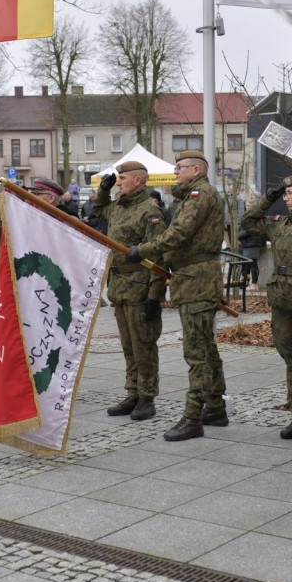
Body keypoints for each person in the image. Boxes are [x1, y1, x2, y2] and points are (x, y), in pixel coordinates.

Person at [127, 150, 226, 441]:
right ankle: (216, 406)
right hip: (191, 278)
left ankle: (193, 416)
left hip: (197, 279)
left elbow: (178, 234)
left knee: (196, 351)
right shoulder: (189, 197)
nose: (174, 171)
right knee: (206, 347)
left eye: (180, 167)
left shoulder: (199, 194)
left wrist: (143, 250)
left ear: (196, 169)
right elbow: (177, 242)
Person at [241, 175, 292, 442]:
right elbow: (248, 222)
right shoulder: (281, 224)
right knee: (291, 359)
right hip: (282, 300)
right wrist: (269, 197)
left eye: (290, 193)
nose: (286, 198)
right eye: (285, 194)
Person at [94, 162, 168, 421]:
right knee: (128, 346)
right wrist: (103, 190)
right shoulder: (118, 207)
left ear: (138, 180)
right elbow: (98, 209)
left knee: (143, 345)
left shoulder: (149, 211)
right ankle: (132, 392)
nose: (119, 182)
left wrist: (154, 295)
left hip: (140, 288)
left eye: (122, 178)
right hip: (120, 287)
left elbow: (159, 254)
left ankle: (147, 398)